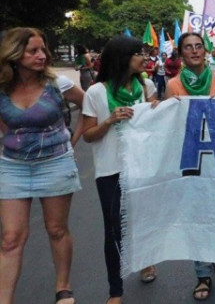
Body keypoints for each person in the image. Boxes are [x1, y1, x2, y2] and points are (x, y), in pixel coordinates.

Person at [0, 27, 85, 304]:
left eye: (43, 50)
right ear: (14, 55)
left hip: (55, 163)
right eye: (33, 51)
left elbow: (89, 104)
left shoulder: (57, 83)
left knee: (56, 228)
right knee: (11, 238)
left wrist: (74, 140)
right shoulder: (2, 89)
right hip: (13, 166)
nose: (42, 55)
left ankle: (63, 288)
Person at [81, 35, 159, 304]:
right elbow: (88, 135)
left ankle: (146, 260)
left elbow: (155, 126)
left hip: (142, 166)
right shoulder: (96, 92)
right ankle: (116, 290)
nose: (144, 57)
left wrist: (158, 112)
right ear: (122, 58)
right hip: (110, 170)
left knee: (142, 219)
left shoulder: (146, 85)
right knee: (114, 229)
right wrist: (110, 120)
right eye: (138, 53)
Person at [163, 32, 215, 300]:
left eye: (198, 46)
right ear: (181, 54)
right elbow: (167, 125)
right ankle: (202, 274)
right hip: (193, 159)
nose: (194, 51)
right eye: (188, 48)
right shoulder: (173, 85)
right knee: (197, 215)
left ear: (205, 51)